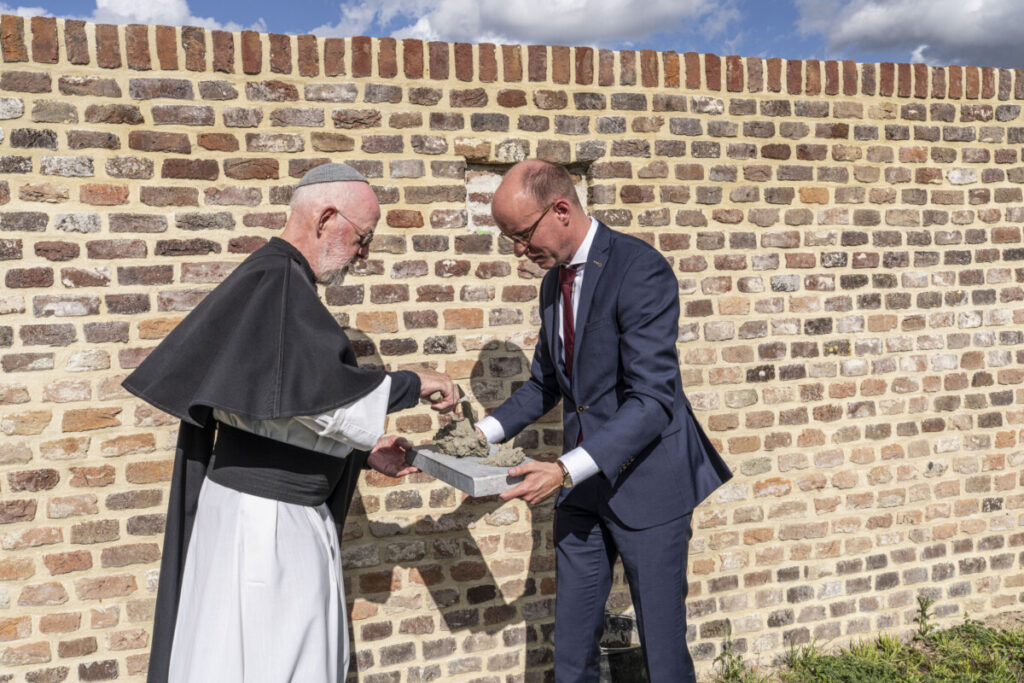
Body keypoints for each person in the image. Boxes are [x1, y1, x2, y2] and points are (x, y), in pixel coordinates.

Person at [122, 163, 458, 683]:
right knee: (269, 663)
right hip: (266, 529)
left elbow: (276, 408)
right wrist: (414, 381)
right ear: (326, 217)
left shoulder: (275, 280)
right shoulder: (278, 283)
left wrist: (361, 452)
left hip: (261, 518)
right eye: (363, 239)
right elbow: (319, 398)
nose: (363, 255)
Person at [475, 160, 733, 682]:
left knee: (662, 653)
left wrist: (564, 469)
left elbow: (653, 400)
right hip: (581, 493)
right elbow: (545, 385)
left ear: (562, 210)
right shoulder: (554, 284)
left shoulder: (640, 269)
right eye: (511, 240)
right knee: (570, 649)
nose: (520, 252)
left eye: (522, 235)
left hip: (650, 485)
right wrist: (474, 438)